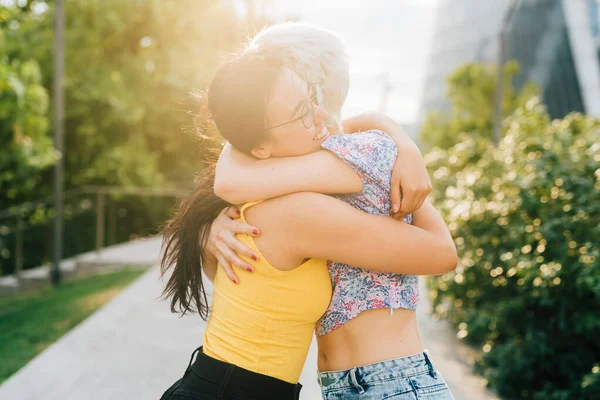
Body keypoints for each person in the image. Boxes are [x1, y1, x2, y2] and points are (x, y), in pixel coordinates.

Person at [160, 42, 456, 400]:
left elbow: (344, 128)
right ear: (257, 147)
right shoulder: (291, 207)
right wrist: (400, 149)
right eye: (302, 112)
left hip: (387, 384)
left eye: (313, 96)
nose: (320, 114)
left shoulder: (259, 191)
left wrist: (404, 146)